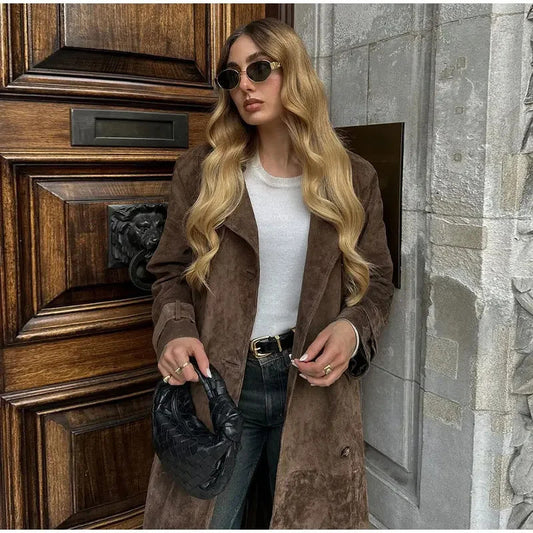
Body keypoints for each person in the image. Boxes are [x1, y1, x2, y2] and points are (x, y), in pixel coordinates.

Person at [143, 17, 394, 530]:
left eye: (259, 69)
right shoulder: (203, 173)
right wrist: (176, 331)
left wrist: (351, 330)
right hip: (219, 385)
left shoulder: (352, 179)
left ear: (293, 72)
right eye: (231, 76)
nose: (245, 86)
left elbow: (378, 282)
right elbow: (169, 272)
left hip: (312, 387)